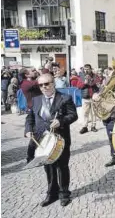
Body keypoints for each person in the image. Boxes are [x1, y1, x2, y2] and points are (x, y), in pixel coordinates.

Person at [25, 73, 78, 207]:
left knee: (62, 167)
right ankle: (52, 193)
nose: (44, 87)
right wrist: (28, 130)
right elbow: (30, 118)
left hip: (60, 139)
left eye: (47, 84)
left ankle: (64, 193)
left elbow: (73, 115)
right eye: (41, 85)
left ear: (53, 84)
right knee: (48, 168)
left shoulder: (65, 98)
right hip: (42, 141)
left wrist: (61, 121)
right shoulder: (36, 99)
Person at [77, 64, 99, 134]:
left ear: (90, 69)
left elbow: (97, 83)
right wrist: (84, 83)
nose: (86, 70)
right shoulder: (81, 76)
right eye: (85, 69)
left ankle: (93, 126)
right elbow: (78, 86)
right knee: (85, 113)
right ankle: (85, 127)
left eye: (87, 69)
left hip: (93, 97)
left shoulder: (95, 76)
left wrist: (91, 80)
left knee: (93, 113)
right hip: (85, 97)